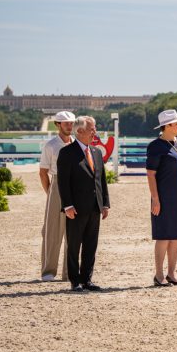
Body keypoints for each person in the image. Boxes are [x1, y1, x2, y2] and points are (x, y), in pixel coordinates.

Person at [56, 116, 109, 292]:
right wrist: (68, 205)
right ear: (79, 131)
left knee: (91, 245)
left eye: (94, 128)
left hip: (95, 207)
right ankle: (75, 281)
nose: (95, 132)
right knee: (74, 245)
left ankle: (87, 279)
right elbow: (63, 183)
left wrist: (105, 203)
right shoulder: (67, 153)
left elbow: (101, 180)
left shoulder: (96, 152)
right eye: (91, 129)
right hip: (76, 209)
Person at [146, 109, 177, 287]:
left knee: (176, 236)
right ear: (166, 126)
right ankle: (158, 275)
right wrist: (155, 199)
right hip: (164, 197)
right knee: (164, 235)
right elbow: (151, 174)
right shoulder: (155, 146)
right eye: (176, 123)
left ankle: (172, 274)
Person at [38, 110, 75, 282]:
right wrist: (50, 194)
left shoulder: (77, 143)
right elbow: (43, 173)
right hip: (57, 185)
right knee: (53, 231)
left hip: (75, 187)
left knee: (73, 232)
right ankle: (48, 271)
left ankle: (69, 272)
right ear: (58, 125)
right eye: (66, 123)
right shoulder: (51, 146)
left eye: (71, 123)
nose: (69, 126)